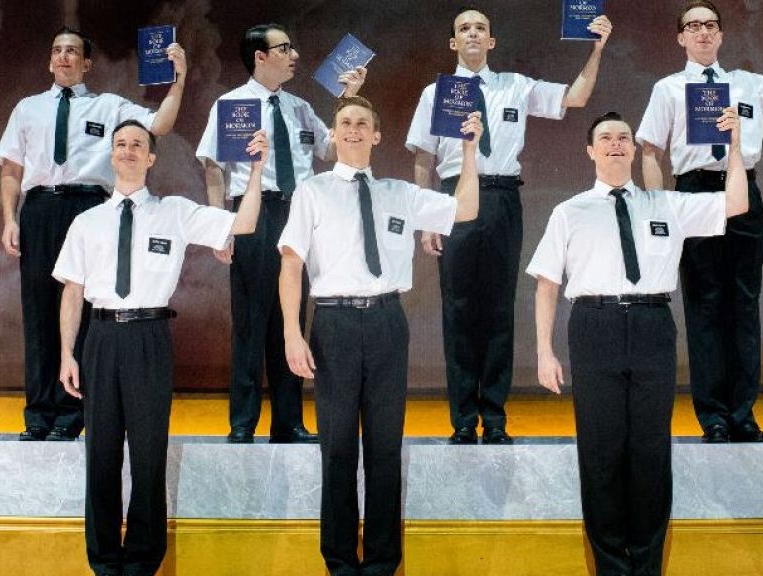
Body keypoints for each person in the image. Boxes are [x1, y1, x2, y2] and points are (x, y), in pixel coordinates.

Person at [529, 109, 747, 576]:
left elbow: (734, 203)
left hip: (652, 326)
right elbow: (546, 284)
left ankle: (646, 564)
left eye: (623, 137)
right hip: (594, 327)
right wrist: (544, 351)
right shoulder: (569, 212)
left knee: (651, 450)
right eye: (605, 137)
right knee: (600, 450)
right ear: (590, 150)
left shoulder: (665, 204)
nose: (615, 143)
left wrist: (735, 146)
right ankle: (610, 565)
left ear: (633, 148)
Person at [54, 120, 268, 576]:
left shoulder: (174, 211)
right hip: (101, 339)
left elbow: (244, 223)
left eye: (137, 145)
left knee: (149, 454)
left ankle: (143, 561)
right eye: (120, 144)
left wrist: (254, 172)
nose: (128, 150)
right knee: (102, 455)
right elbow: (72, 291)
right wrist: (67, 354)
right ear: (111, 156)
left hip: (150, 339)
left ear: (151, 158)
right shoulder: (85, 221)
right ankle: (105, 560)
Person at [280, 96, 481, 576]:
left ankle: (383, 562)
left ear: (376, 135)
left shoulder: (400, 192)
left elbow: (466, 209)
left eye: (362, 123)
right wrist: (292, 331)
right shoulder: (311, 192)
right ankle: (340, 561)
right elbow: (291, 264)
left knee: (386, 449)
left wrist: (470, 151)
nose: (352, 130)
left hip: (389, 324)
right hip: (334, 325)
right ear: (334, 133)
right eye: (344, 123)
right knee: (338, 448)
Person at [405, 5, 612, 444]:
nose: (473, 33)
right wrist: (427, 219)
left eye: (481, 27)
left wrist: (597, 50)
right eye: (464, 28)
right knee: (458, 312)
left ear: (492, 41)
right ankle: (463, 419)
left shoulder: (515, 87)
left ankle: (494, 416)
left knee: (499, 309)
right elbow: (423, 158)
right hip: (453, 197)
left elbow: (574, 98)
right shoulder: (435, 93)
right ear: (453, 42)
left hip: (501, 198)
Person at [636, 0, 763, 443]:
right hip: (691, 193)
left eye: (711, 25)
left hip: (742, 190)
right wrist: (658, 208)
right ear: (681, 38)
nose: (703, 32)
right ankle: (712, 415)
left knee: (743, 306)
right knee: (704, 305)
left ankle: (743, 412)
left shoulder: (746, 83)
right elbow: (649, 148)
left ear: (722, 36)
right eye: (694, 26)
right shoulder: (668, 88)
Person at [0, 26, 186, 441]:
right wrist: (11, 217)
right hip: (40, 209)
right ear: (50, 60)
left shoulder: (109, 105)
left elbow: (162, 124)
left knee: (82, 312)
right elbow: (11, 170)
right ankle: (38, 413)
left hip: (90, 209)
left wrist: (179, 79)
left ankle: (71, 412)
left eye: (72, 51)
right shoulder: (28, 108)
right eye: (57, 50)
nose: (63, 57)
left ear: (87, 63)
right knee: (40, 311)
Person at [196, 23, 367, 444]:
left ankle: (289, 421)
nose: (294, 56)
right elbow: (213, 167)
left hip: (299, 213)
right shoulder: (231, 105)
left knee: (292, 319)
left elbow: (332, 150)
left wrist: (347, 98)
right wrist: (222, 226)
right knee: (252, 322)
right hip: (254, 213)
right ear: (260, 56)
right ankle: (243, 423)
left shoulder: (300, 107)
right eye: (284, 48)